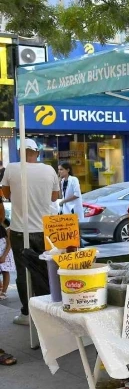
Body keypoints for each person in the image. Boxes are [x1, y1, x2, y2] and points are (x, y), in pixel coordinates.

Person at [1, 139, 59, 326]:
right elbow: (54, 196)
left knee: (23, 272)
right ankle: (45, 311)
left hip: (20, 230)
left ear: (20, 151)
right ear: (37, 153)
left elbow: (6, 193)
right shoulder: (49, 170)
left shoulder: (12, 168)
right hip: (44, 229)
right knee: (44, 271)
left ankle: (27, 313)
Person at [0, 225, 15, 301]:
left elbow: (9, 244)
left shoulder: (3, 230)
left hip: (4, 253)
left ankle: (4, 292)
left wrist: (4, 256)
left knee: (5, 271)